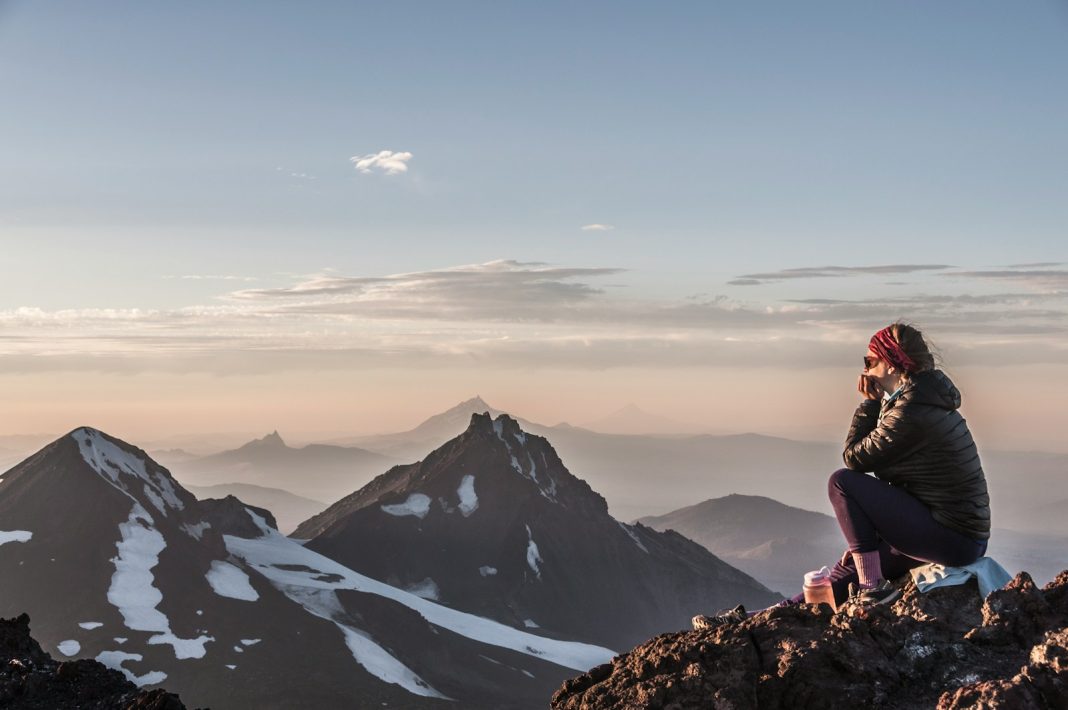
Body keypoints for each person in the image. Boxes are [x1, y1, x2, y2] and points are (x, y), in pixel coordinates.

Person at [693, 322, 991, 629]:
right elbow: (911, 490)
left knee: (841, 483)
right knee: (843, 578)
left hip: (950, 537)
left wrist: (868, 404)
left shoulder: (911, 410)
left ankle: (873, 590)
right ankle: (750, 622)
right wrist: (866, 543)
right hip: (956, 535)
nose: (865, 370)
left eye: (869, 361)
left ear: (891, 362)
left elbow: (854, 459)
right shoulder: (922, 400)